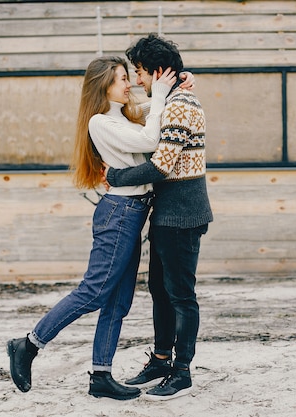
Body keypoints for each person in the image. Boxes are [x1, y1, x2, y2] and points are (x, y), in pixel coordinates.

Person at [6, 56, 194, 400]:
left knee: (119, 301)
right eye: (122, 79)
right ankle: (28, 344)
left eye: (128, 77)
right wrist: (163, 94)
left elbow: (154, 103)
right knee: (93, 292)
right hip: (118, 214)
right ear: (104, 86)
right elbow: (153, 140)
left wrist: (177, 85)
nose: (129, 84)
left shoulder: (122, 115)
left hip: (133, 212)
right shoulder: (100, 122)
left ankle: (101, 376)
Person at [104, 33, 213, 401]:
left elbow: (163, 164)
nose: (136, 80)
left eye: (139, 72)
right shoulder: (173, 100)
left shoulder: (181, 105)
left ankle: (181, 373)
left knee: (181, 295)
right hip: (169, 213)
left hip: (182, 214)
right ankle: (162, 360)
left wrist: (117, 177)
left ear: (157, 71)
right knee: (160, 291)